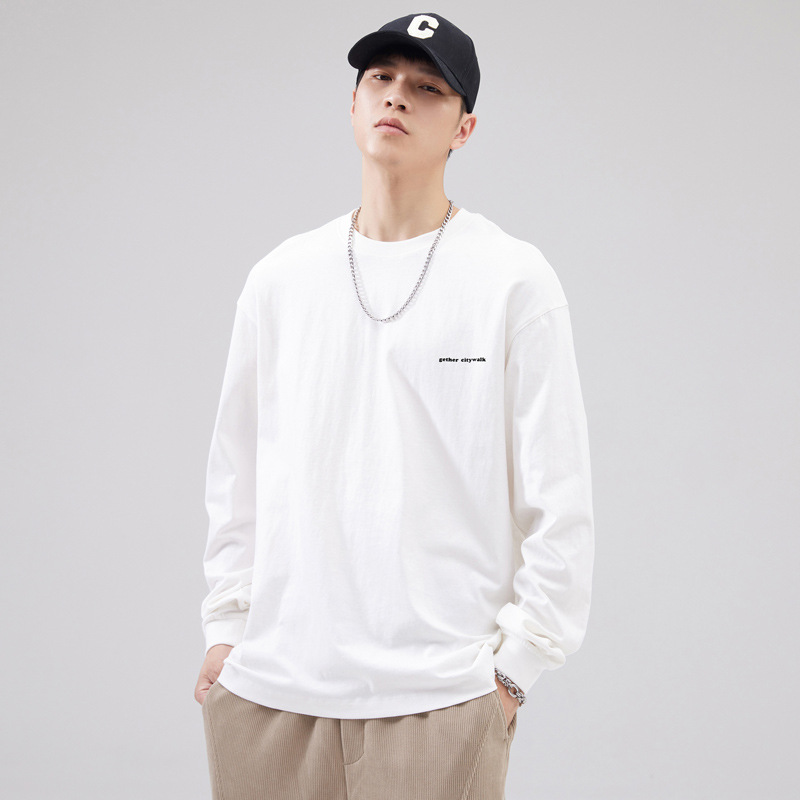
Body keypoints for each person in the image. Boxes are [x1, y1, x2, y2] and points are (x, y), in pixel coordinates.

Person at [194, 12, 594, 800]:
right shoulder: (281, 279)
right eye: (379, 78)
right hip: (271, 692)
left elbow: (562, 498)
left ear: (464, 128)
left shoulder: (513, 280)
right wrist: (226, 629)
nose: (397, 96)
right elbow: (235, 471)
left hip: (440, 698)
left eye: (427, 87)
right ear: (352, 105)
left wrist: (516, 670)